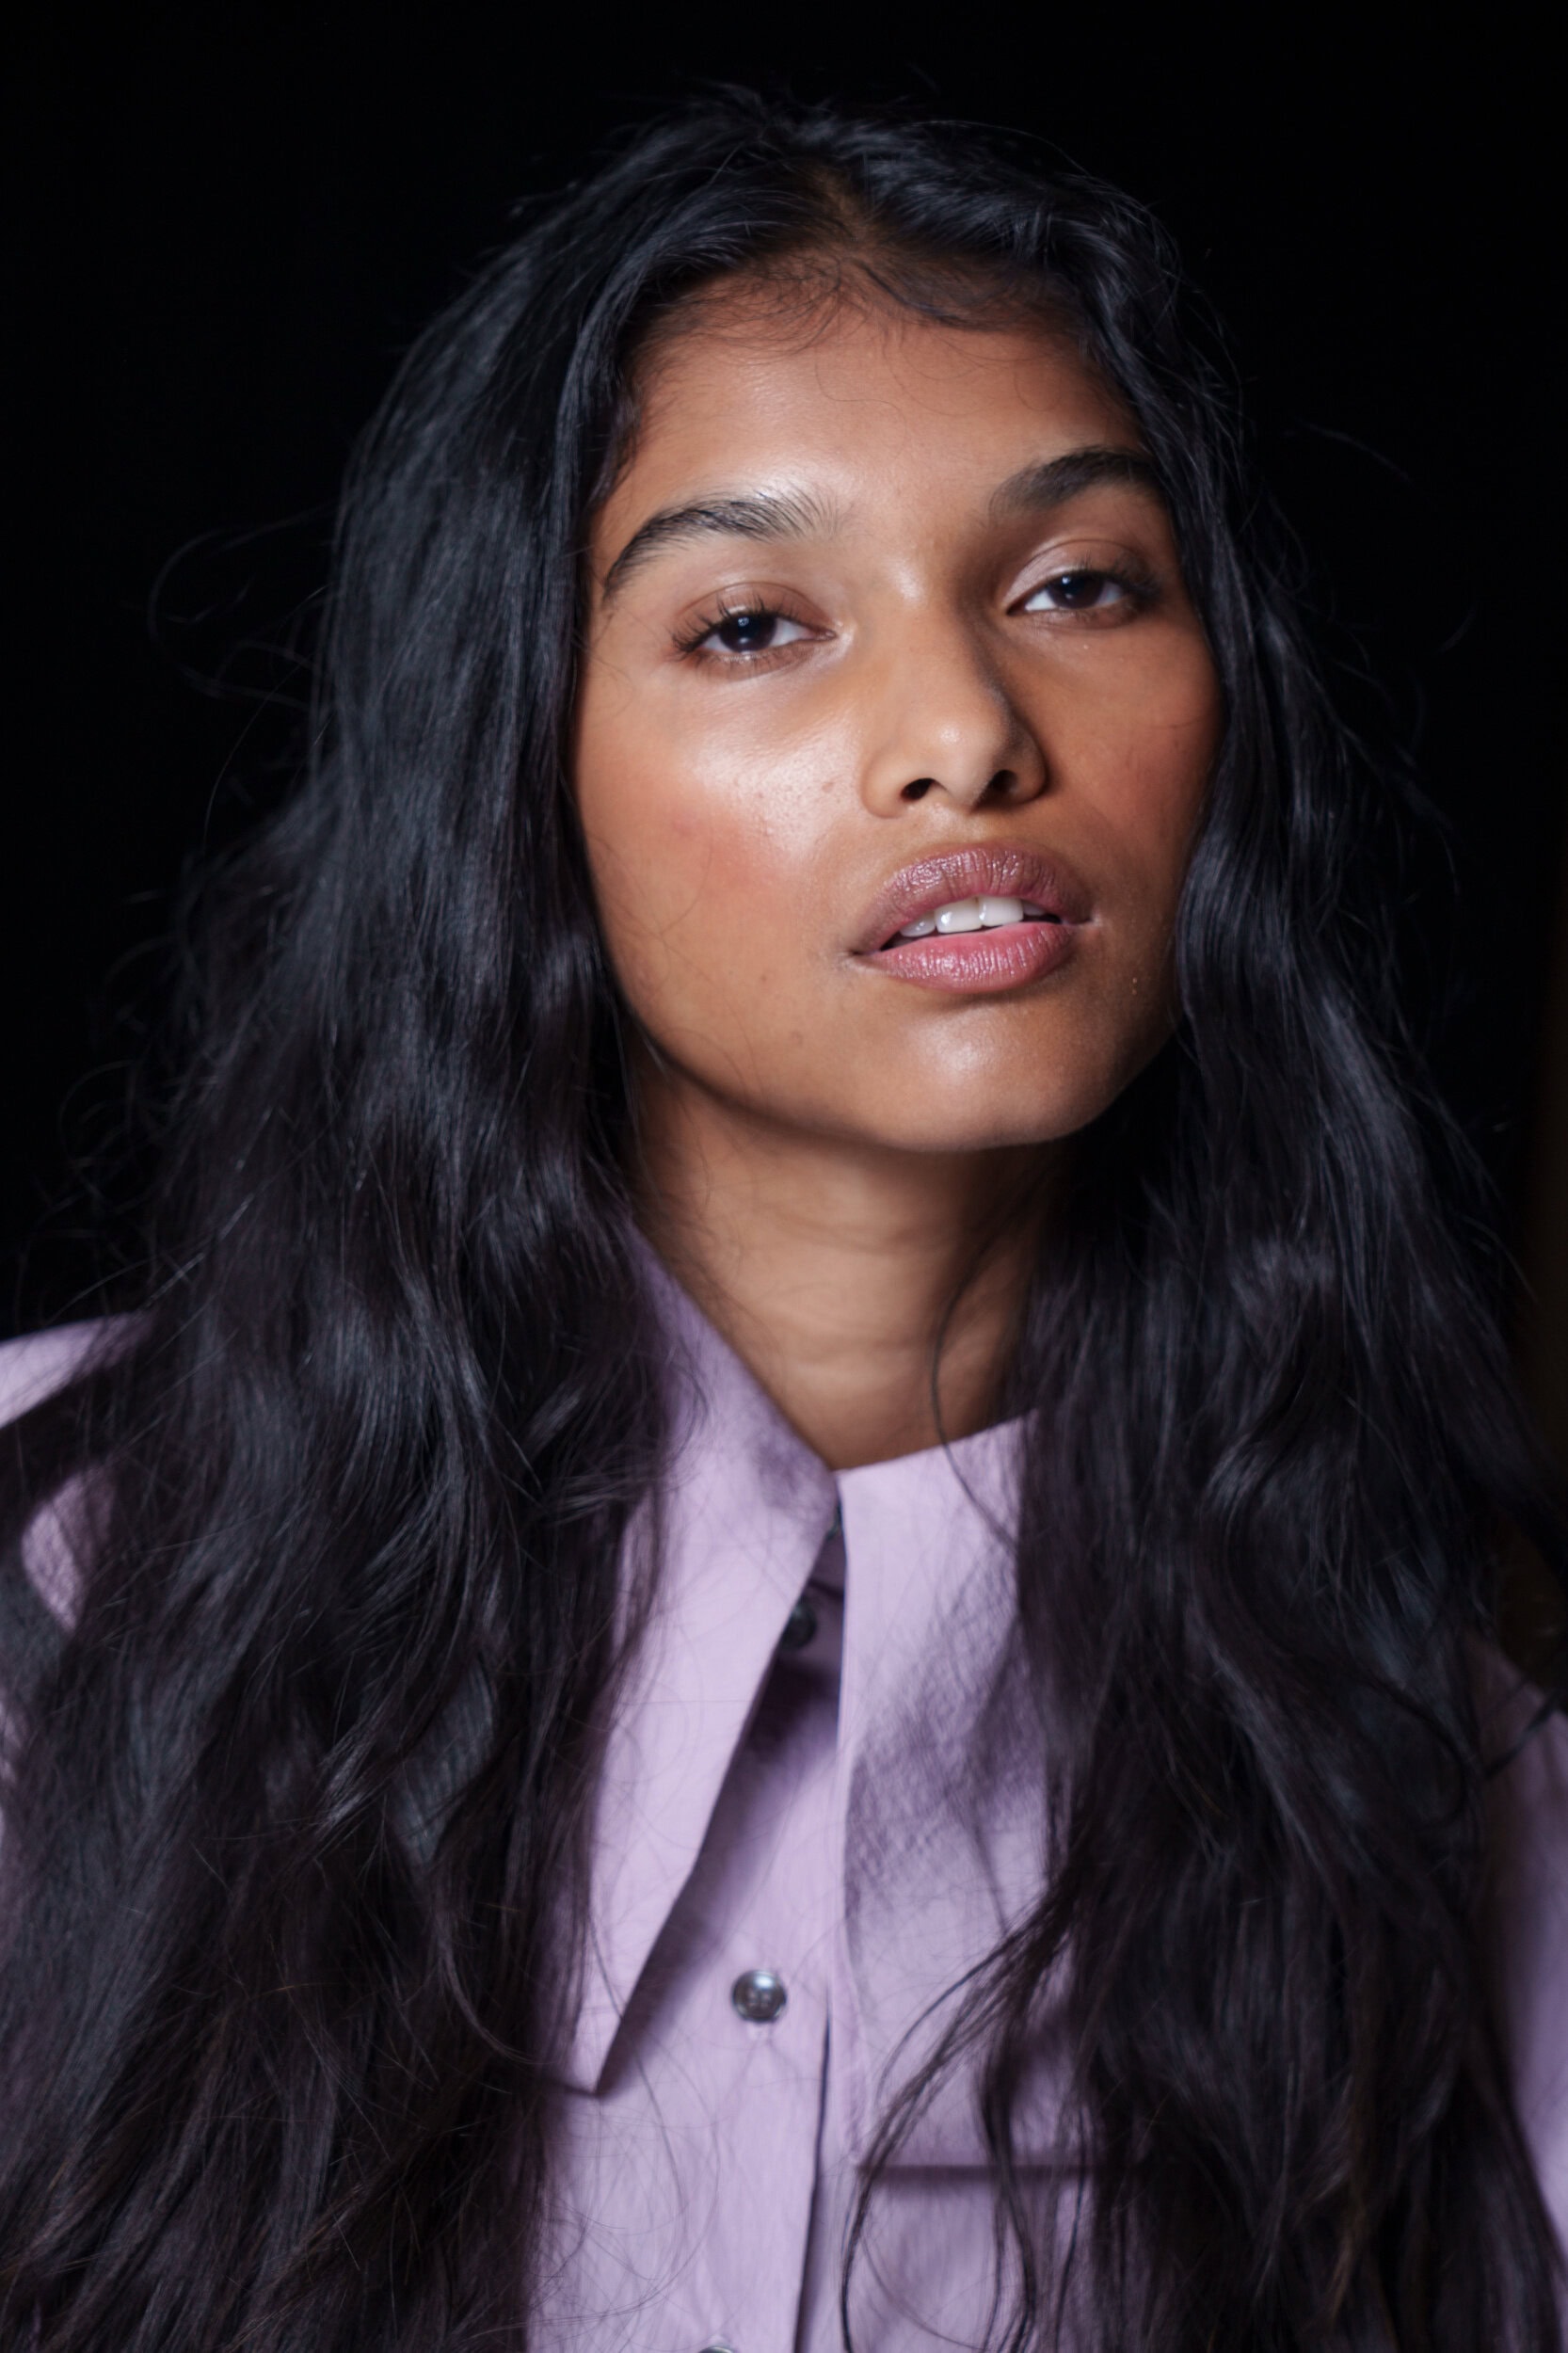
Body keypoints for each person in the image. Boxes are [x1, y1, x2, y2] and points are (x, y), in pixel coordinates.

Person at [1, 92, 1563, 2353]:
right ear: (517, 770)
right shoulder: (66, 1581)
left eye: (1075, 583)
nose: (961, 732)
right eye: (750, 623)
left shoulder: (1437, 1777)